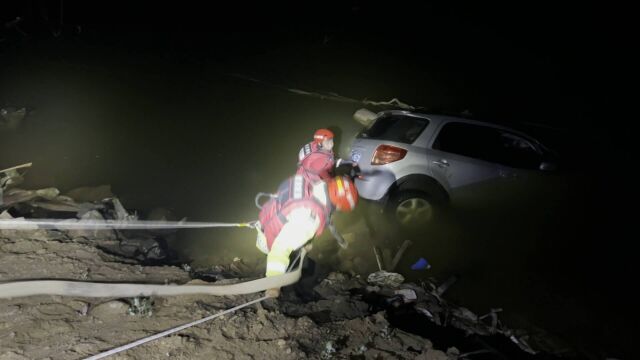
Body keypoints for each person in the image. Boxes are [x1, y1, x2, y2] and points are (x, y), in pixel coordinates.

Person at [254, 174, 358, 298]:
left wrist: (305, 240)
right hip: (271, 242)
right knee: (306, 270)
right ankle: (288, 293)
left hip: (269, 225)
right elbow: (280, 248)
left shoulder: (314, 185)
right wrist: (273, 283)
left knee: (307, 263)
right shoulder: (309, 219)